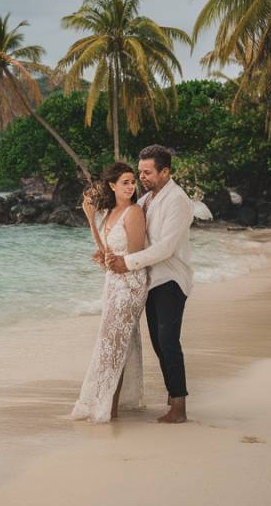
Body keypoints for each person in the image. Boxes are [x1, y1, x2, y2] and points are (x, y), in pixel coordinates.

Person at [106, 145, 194, 424]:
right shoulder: (148, 200)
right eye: (140, 171)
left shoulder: (177, 201)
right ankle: (172, 396)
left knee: (168, 340)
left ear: (165, 171)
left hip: (171, 278)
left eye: (147, 172)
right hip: (151, 280)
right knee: (158, 341)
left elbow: (166, 248)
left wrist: (127, 263)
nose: (142, 177)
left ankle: (179, 407)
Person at [70, 161, 149, 423]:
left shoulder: (134, 212)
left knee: (112, 343)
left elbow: (136, 254)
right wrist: (90, 219)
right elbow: (104, 250)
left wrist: (115, 261)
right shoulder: (110, 213)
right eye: (124, 182)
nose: (130, 186)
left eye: (132, 181)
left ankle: (107, 407)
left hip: (131, 284)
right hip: (112, 283)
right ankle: (111, 404)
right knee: (116, 344)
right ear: (113, 186)